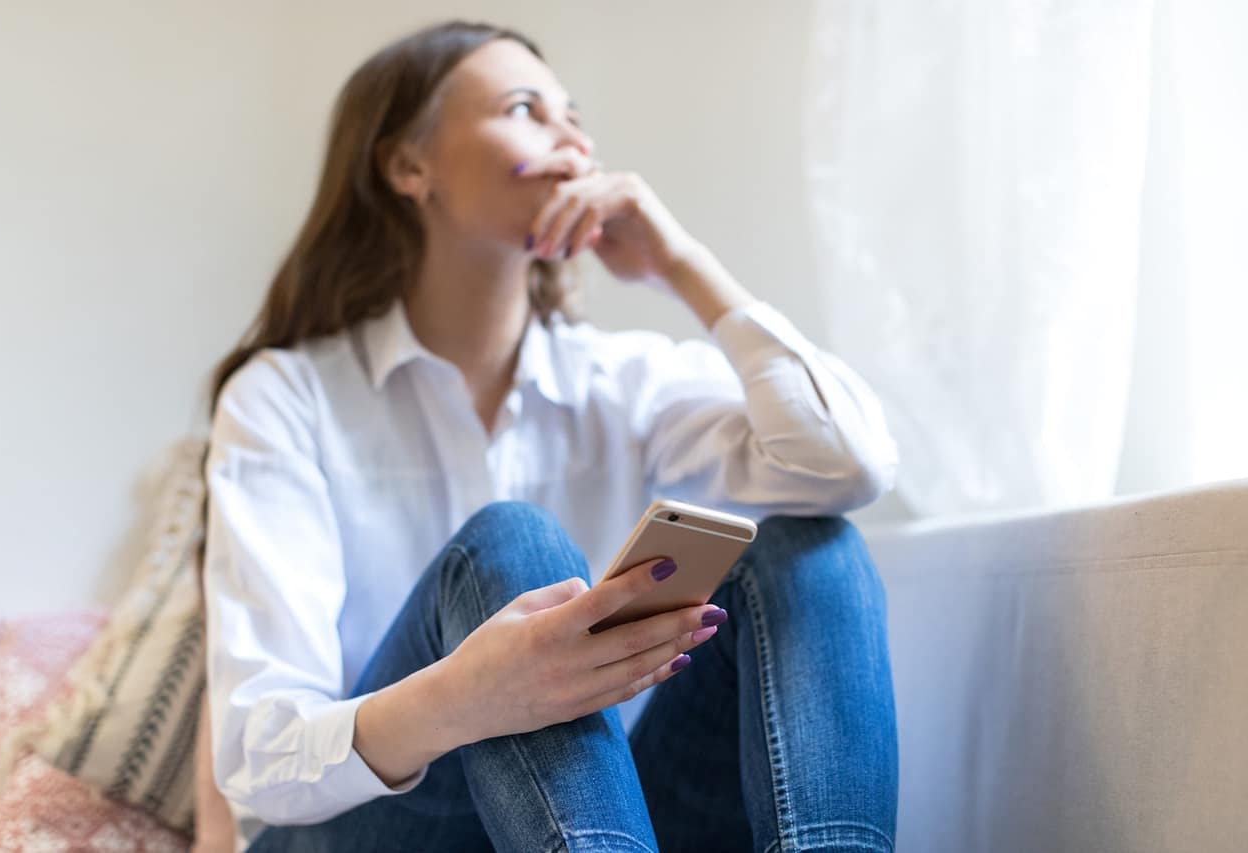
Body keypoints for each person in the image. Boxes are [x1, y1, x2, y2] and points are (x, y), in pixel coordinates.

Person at [200, 18, 900, 853]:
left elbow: (848, 464)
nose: (571, 136)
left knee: (808, 549)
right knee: (512, 543)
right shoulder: (288, 397)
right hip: (367, 831)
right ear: (408, 165)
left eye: (575, 115)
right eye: (526, 107)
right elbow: (258, 755)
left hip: (604, 815)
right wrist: (467, 694)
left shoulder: (620, 380)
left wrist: (681, 263)